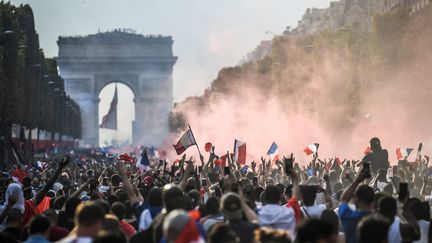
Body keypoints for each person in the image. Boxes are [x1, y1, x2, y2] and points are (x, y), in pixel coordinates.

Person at [339, 170, 374, 243]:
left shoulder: (348, 216)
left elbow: (344, 199)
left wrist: (357, 181)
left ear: (356, 199)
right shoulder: (381, 219)